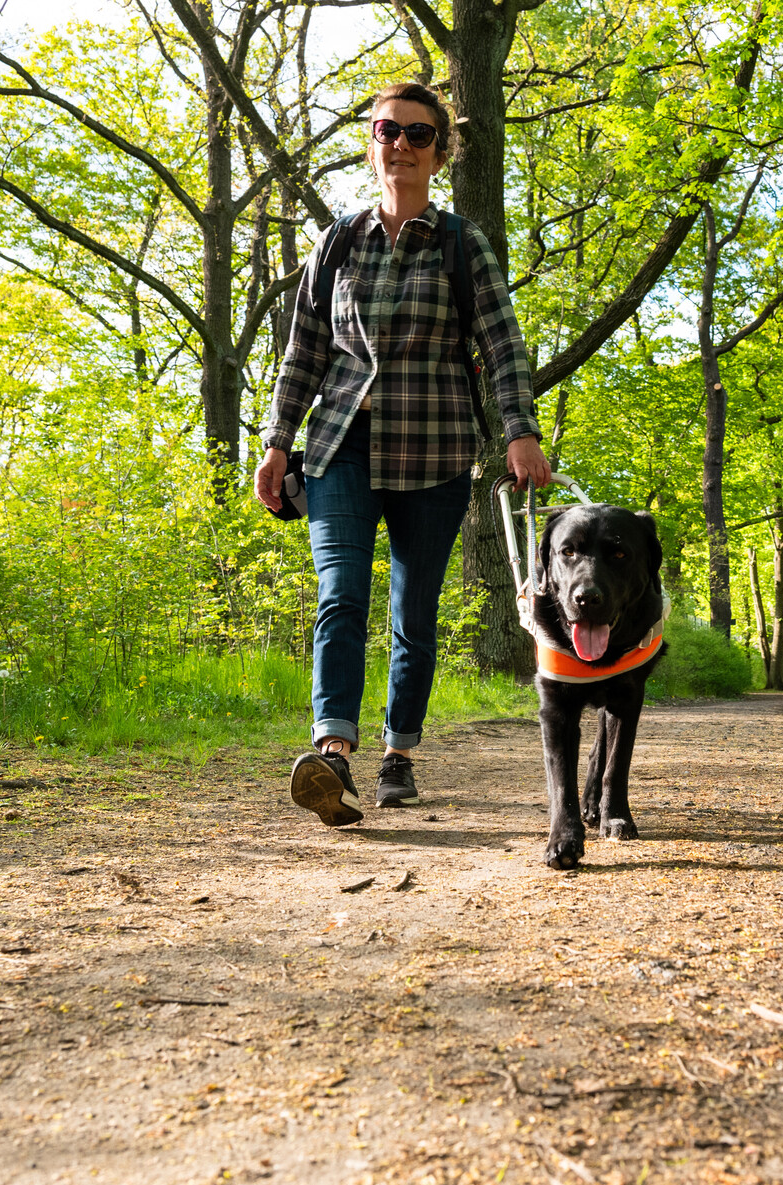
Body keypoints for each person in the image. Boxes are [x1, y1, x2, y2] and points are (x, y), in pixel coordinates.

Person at [254, 82, 552, 826]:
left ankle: (400, 755)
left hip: (436, 449)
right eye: (388, 130)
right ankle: (332, 755)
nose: (402, 145)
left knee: (414, 612)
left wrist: (520, 429)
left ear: (440, 154)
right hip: (340, 445)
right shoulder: (340, 240)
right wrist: (276, 442)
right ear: (372, 141)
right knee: (341, 594)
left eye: (420, 135)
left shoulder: (461, 243)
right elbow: (305, 350)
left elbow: (501, 343)